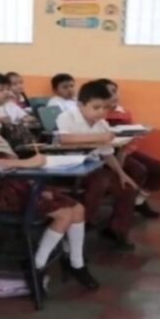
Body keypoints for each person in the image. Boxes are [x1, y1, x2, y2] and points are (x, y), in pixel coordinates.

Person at [0, 89, 98, 290]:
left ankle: (76, 263)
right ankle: (37, 264)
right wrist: (28, 164)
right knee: (64, 214)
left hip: (17, 184)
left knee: (78, 209)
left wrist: (31, 177)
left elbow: (13, 162)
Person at [56, 81, 141, 250]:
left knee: (127, 188)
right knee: (101, 181)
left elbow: (106, 153)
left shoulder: (102, 124)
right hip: (70, 168)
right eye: (96, 108)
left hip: (93, 167)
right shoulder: (67, 116)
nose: (101, 112)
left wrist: (121, 174)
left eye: (106, 108)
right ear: (81, 105)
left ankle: (116, 230)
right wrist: (100, 138)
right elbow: (64, 139)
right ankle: (82, 224)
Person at [98, 78, 160, 219]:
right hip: (106, 153)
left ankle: (138, 201)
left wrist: (127, 151)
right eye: (108, 92)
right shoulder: (97, 112)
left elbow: (132, 138)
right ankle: (122, 213)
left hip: (125, 150)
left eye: (114, 91)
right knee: (138, 170)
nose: (113, 95)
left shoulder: (123, 112)